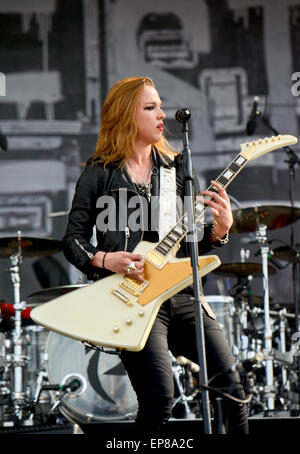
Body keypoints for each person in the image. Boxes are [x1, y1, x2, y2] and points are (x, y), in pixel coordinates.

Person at [62, 76, 249, 434]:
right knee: (159, 399)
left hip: (182, 295)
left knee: (232, 389)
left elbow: (189, 247)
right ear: (126, 116)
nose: (162, 114)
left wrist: (220, 231)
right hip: (134, 302)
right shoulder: (98, 174)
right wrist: (105, 259)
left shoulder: (177, 169)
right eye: (151, 107)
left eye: (161, 106)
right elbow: (72, 240)